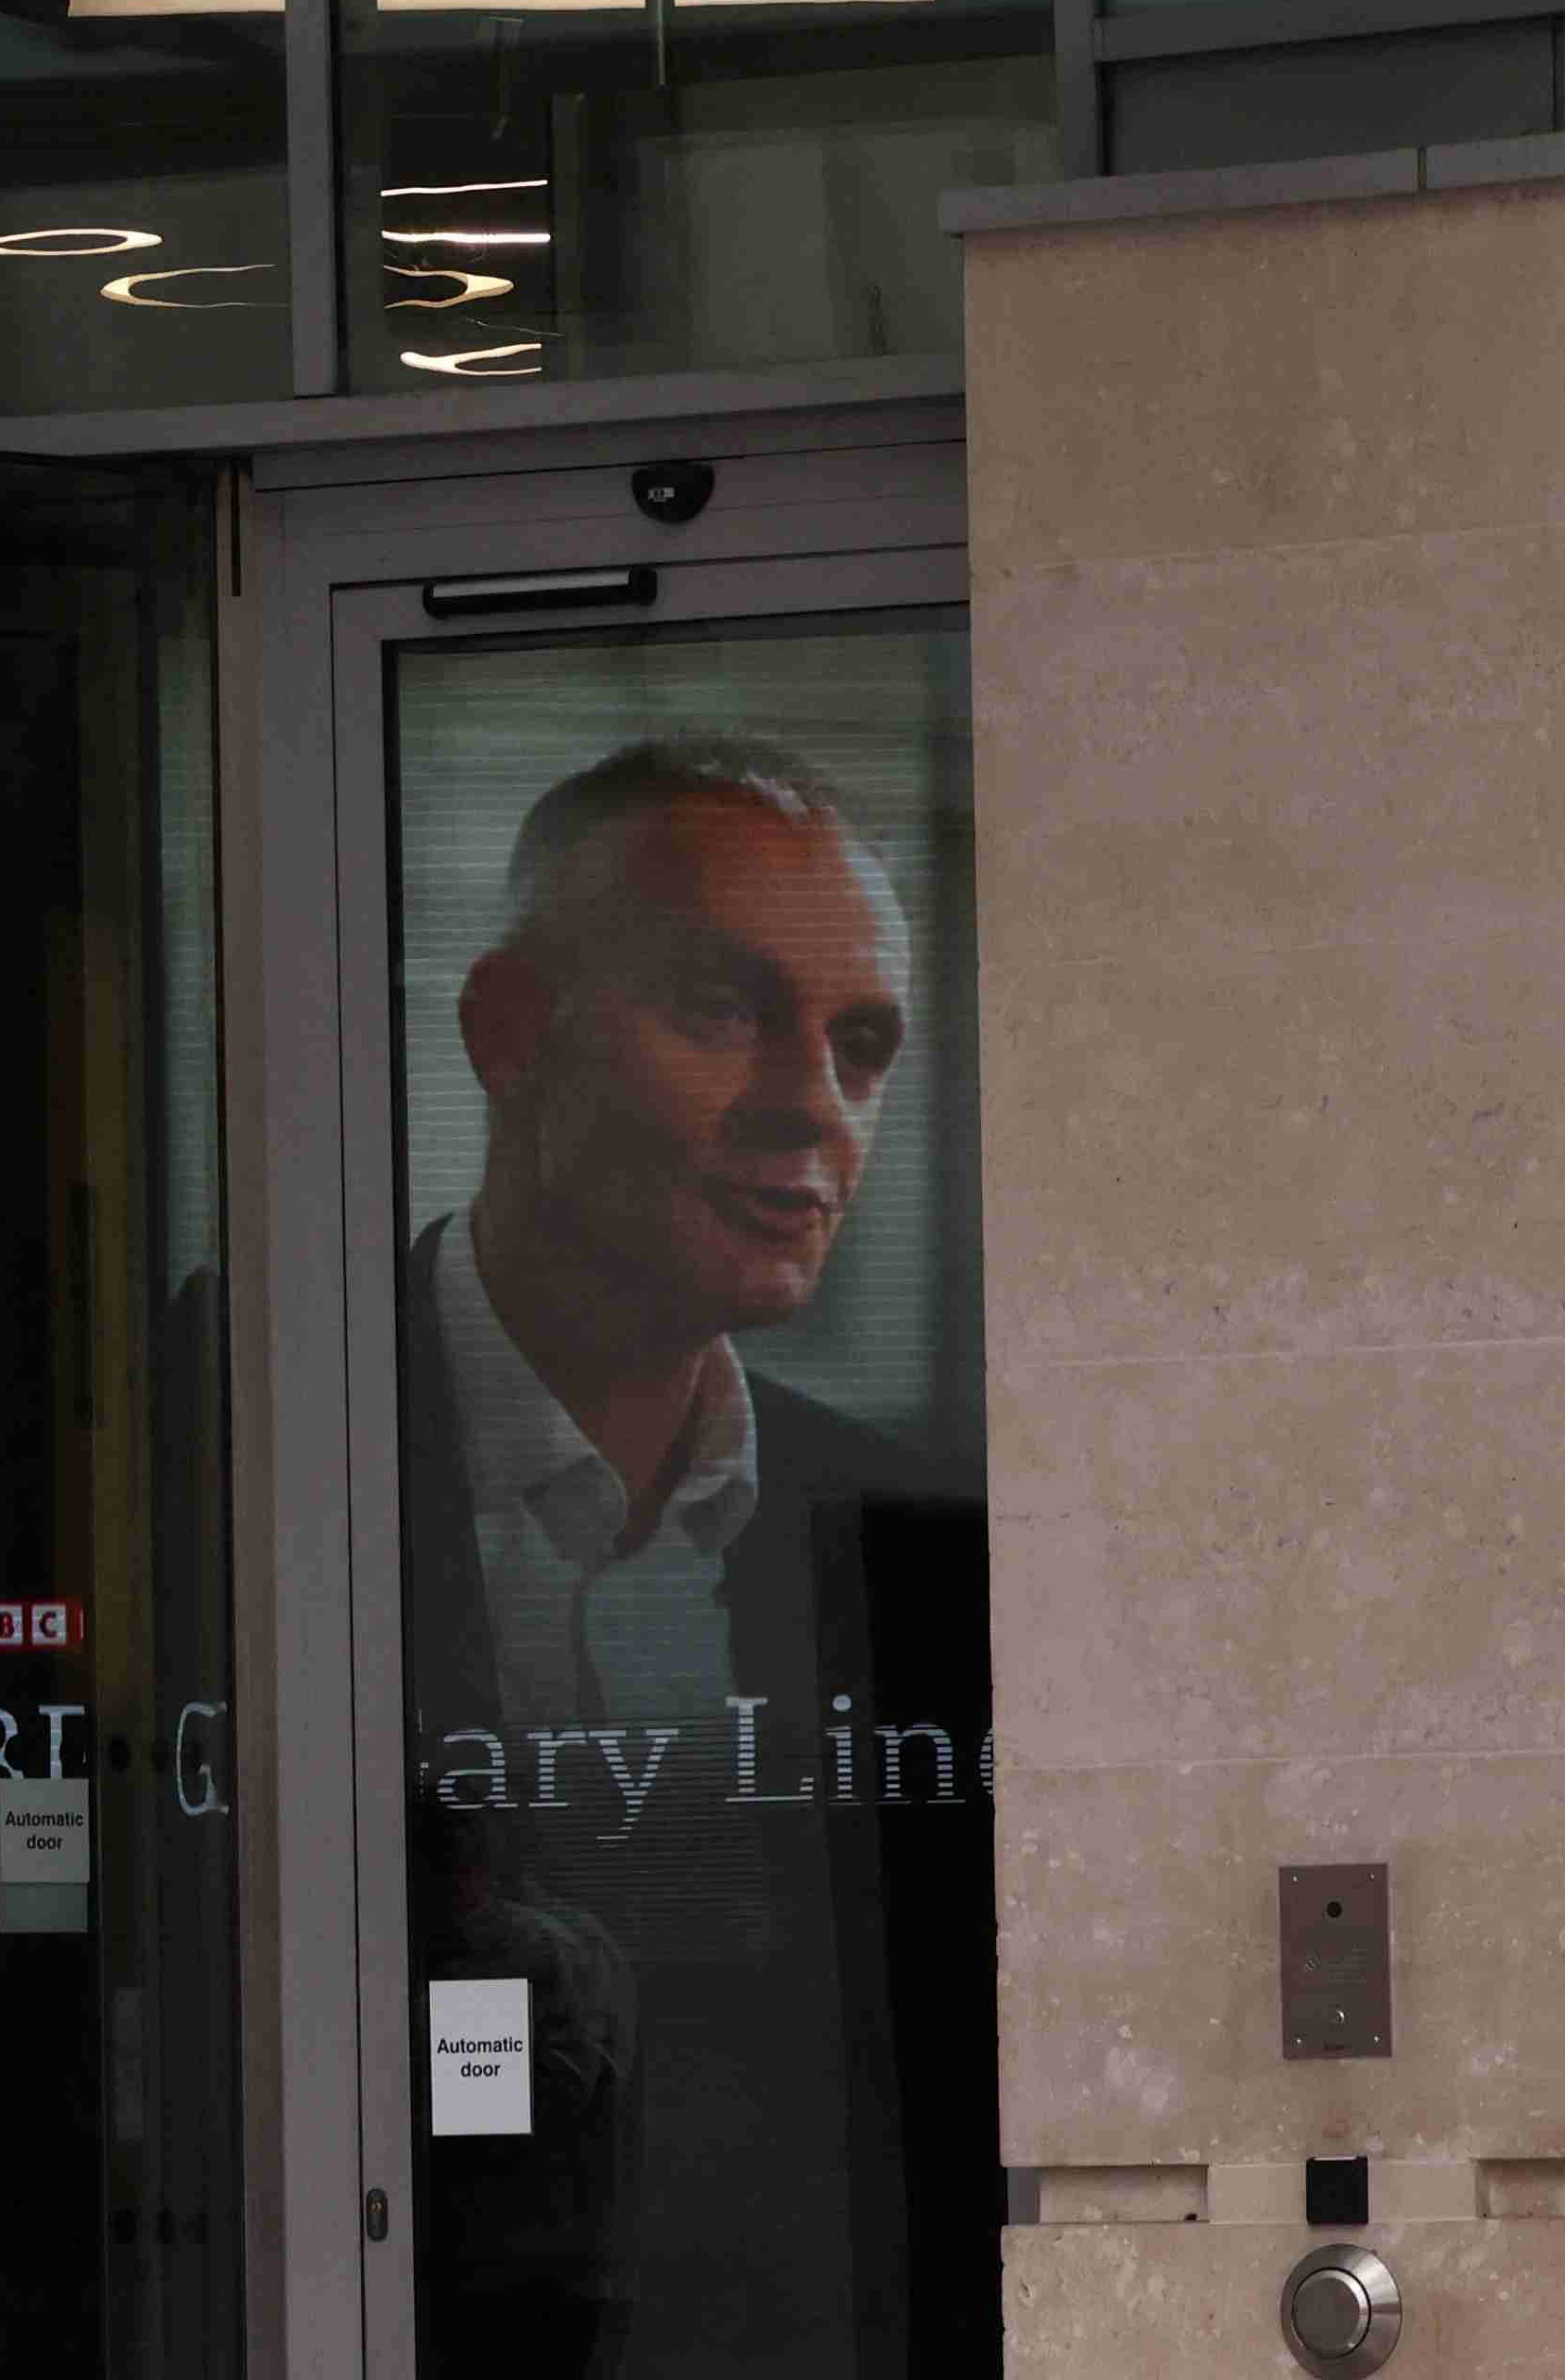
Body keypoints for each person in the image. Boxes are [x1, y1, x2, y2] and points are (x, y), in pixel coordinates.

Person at [396, 737, 989, 2380]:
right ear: (511, 1030)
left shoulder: (902, 1524)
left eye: (859, 1044)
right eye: (722, 1009)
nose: (812, 1101)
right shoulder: (239, 1435)